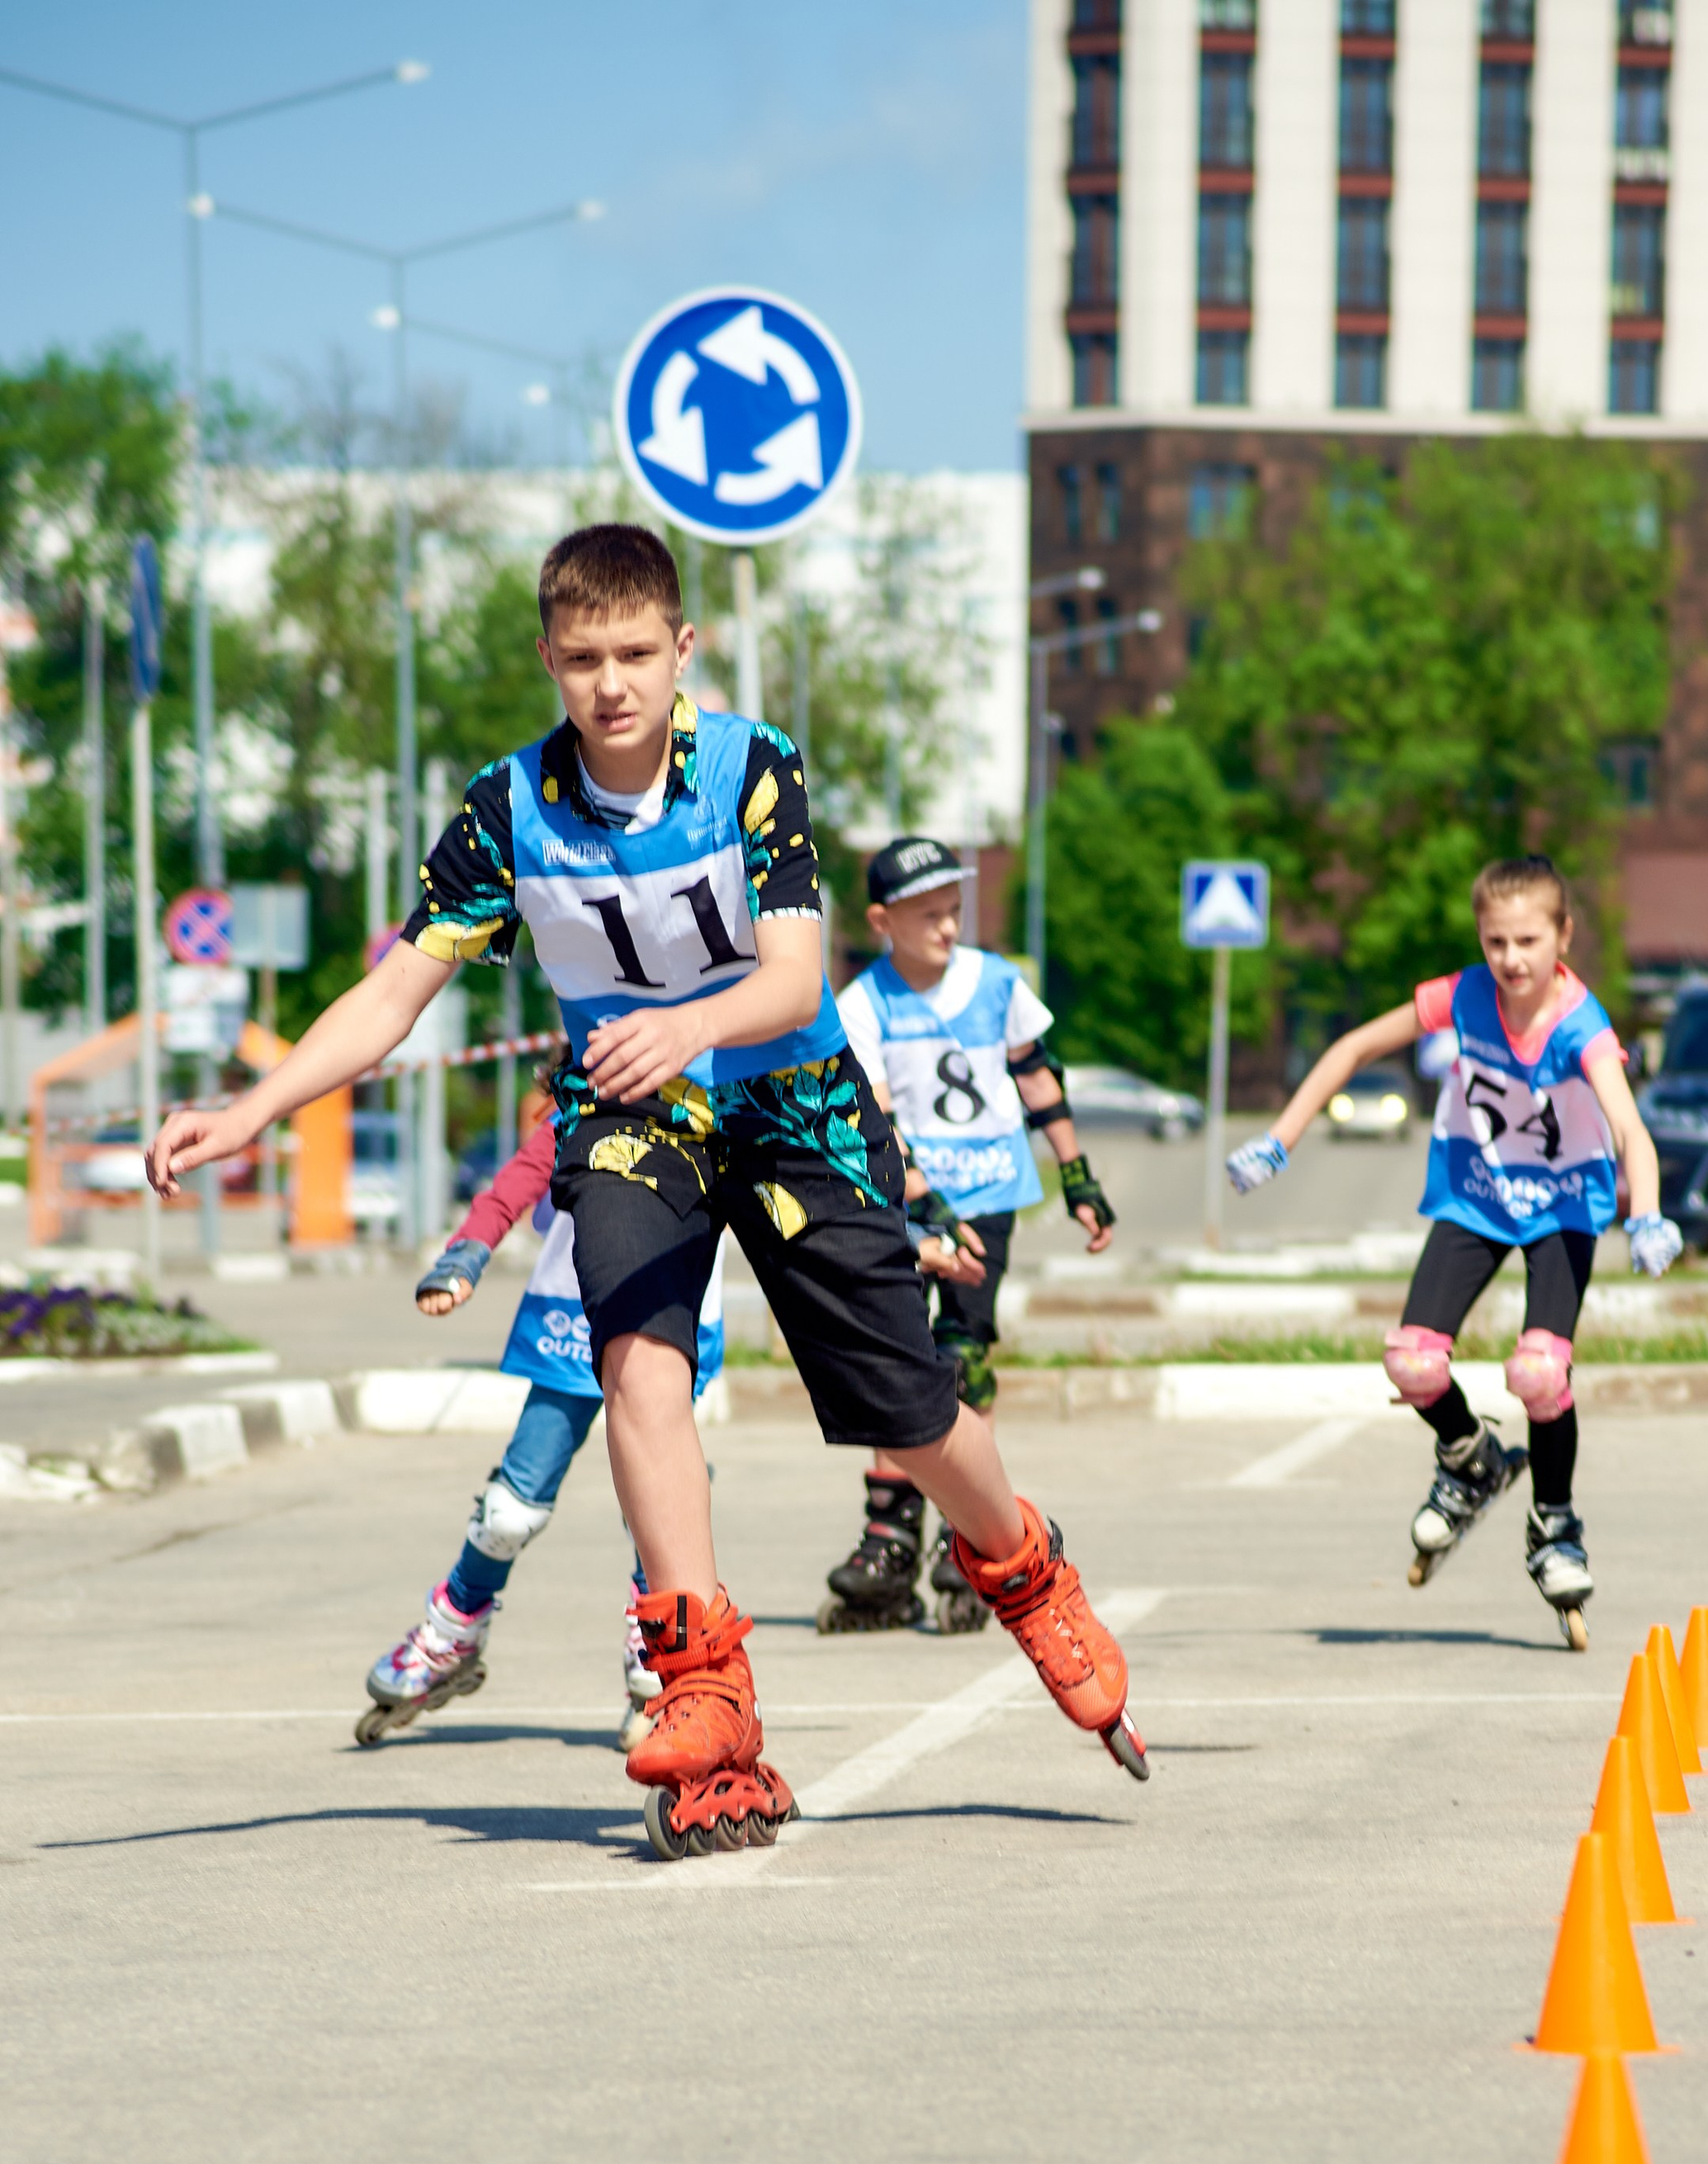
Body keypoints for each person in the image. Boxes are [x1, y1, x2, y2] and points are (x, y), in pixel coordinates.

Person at [146, 521, 1148, 1850]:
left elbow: (798, 977)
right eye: (580, 659)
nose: (610, 682)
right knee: (636, 1366)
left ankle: (1024, 1566)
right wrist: (246, 1108)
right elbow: (395, 988)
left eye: (635, 653)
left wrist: (687, 1023)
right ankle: (702, 1681)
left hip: (794, 1104)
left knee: (905, 1406)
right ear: (549, 662)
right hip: (635, 1115)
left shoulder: (750, 765)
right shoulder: (509, 807)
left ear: (684, 649)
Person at [1224, 853, 1681, 1650]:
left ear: (1563, 936)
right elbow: (1352, 1049)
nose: (1511, 959)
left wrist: (1646, 1216)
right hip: (1476, 1196)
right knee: (1412, 1362)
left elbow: (1628, 1127)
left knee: (1540, 1371)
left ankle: (1556, 1523)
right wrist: (1277, 1140)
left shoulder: (1583, 1027)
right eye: (1495, 940)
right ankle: (1473, 1460)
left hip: (1563, 1208)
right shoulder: (1463, 995)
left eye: (1529, 940)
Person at [352, 1107, 725, 1754]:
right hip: (572, 1324)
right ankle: (455, 1628)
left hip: (670, 1324)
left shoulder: (718, 1102)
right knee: (509, 1510)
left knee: (661, 1499)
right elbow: (513, 1186)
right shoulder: (582, 1105)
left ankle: (663, 1663)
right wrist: (465, 1254)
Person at [820, 834, 1117, 1634]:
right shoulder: (863, 1002)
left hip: (987, 1193)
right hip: (905, 1204)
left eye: (955, 910)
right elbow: (874, 1114)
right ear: (883, 919)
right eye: (929, 915)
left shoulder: (996, 983)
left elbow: (1035, 1074)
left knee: (962, 1360)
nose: (949, 928)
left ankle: (967, 1535)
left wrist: (1077, 1175)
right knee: (892, 1363)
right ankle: (889, 1538)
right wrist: (927, 1208)